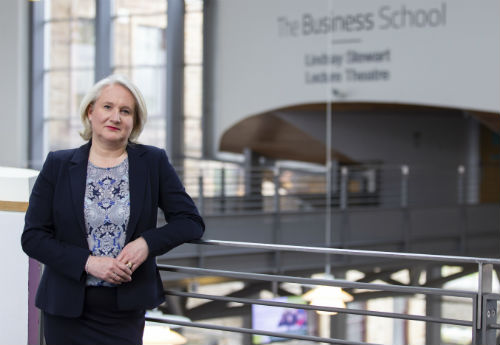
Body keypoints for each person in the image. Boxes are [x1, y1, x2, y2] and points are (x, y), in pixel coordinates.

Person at [21, 74, 205, 345]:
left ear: (134, 122)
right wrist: (89, 262)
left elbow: (190, 221)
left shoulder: (153, 162)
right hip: (65, 309)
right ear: (90, 112)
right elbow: (33, 237)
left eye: (125, 111)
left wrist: (146, 243)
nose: (115, 117)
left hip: (124, 310)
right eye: (107, 107)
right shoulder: (58, 164)